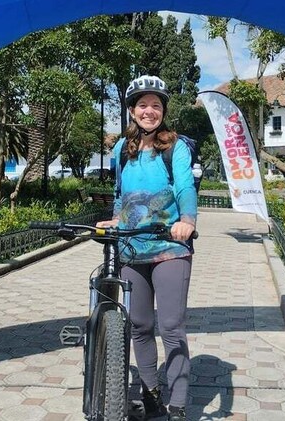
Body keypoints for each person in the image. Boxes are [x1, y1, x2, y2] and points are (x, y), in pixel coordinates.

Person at [97, 75, 197, 421]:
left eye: (156, 105)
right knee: (139, 325)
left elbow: (185, 187)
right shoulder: (120, 150)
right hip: (131, 247)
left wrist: (187, 220)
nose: (149, 111)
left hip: (170, 246)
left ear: (163, 111)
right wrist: (115, 218)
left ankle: (178, 405)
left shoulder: (174, 147)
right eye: (143, 105)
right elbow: (119, 192)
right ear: (132, 111)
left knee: (170, 325)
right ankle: (151, 394)